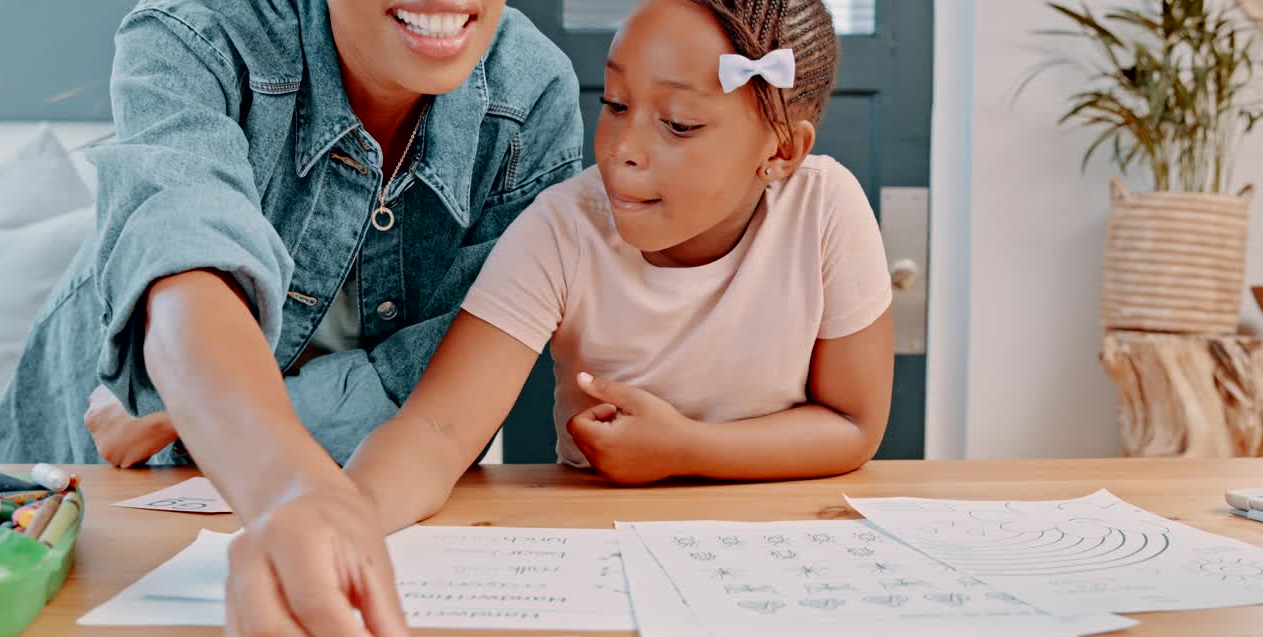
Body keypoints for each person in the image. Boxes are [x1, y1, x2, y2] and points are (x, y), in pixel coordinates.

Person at [0, 0, 583, 637]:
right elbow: (186, 264)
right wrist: (291, 489)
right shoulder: (196, 34)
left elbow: (431, 388)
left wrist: (189, 417)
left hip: (350, 503)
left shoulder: (532, 96)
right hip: (88, 498)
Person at [344, 0, 894, 531]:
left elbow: (854, 425)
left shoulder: (824, 210)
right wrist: (343, 526)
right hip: (601, 538)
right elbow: (437, 429)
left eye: (678, 124)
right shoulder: (562, 229)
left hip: (783, 533)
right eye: (615, 104)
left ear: (780, 152)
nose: (623, 148)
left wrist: (687, 449)